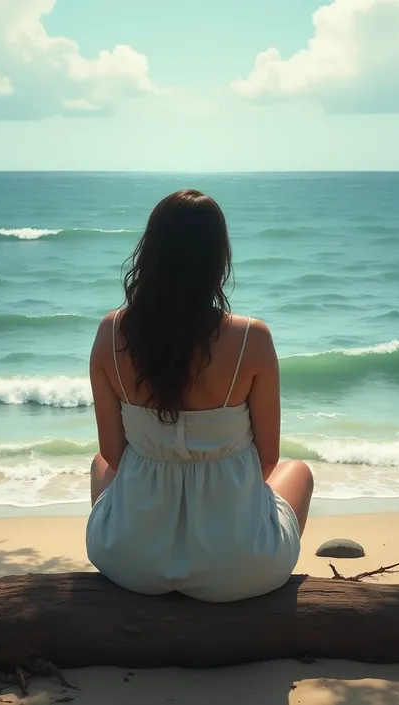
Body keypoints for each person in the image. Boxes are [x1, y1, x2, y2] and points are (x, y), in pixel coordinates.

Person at [86, 189, 313, 602]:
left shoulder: (111, 334)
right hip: (240, 566)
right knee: (298, 471)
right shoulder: (251, 339)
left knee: (98, 463)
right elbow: (267, 460)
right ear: (218, 259)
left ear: (149, 253)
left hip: (130, 562)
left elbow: (114, 455)